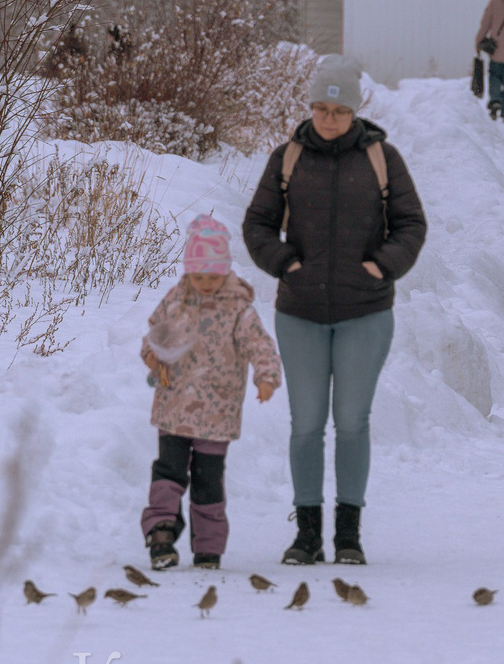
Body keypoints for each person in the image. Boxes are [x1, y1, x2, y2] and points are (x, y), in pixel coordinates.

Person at [242, 56, 429, 567]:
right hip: (299, 312)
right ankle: (307, 534)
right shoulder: (287, 158)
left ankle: (348, 534)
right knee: (305, 424)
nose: (329, 119)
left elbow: (411, 224)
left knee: (351, 422)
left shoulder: (381, 158)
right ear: (310, 108)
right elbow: (257, 224)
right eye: (321, 108)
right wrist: (285, 264)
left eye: (339, 110)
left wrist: (382, 266)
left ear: (356, 110)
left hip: (365, 312)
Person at [139, 216, 283, 570]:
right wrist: (153, 359)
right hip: (174, 408)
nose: (205, 284)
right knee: (168, 472)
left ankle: (208, 547)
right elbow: (154, 337)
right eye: (198, 276)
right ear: (189, 272)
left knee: (208, 482)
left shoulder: (238, 309)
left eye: (213, 276)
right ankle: (161, 532)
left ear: (225, 272)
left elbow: (261, 346)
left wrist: (266, 377)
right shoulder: (176, 300)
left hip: (217, 415)